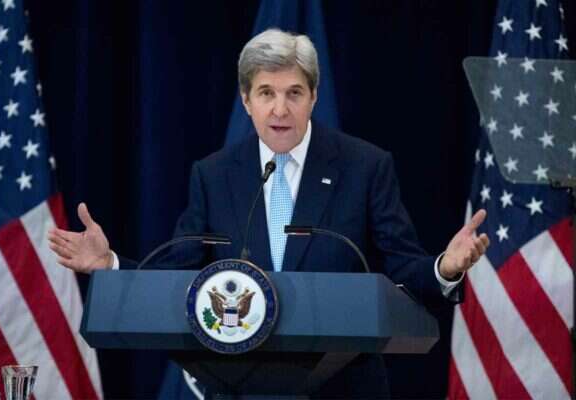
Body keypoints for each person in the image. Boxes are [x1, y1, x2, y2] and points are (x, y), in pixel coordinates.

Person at [48, 29, 489, 398]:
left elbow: (403, 266)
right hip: (238, 386)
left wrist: (444, 268)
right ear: (246, 100)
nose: (280, 109)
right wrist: (109, 264)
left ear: (313, 96)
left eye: (294, 93)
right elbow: (173, 275)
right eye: (266, 93)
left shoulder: (365, 167)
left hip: (343, 388)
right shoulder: (214, 175)